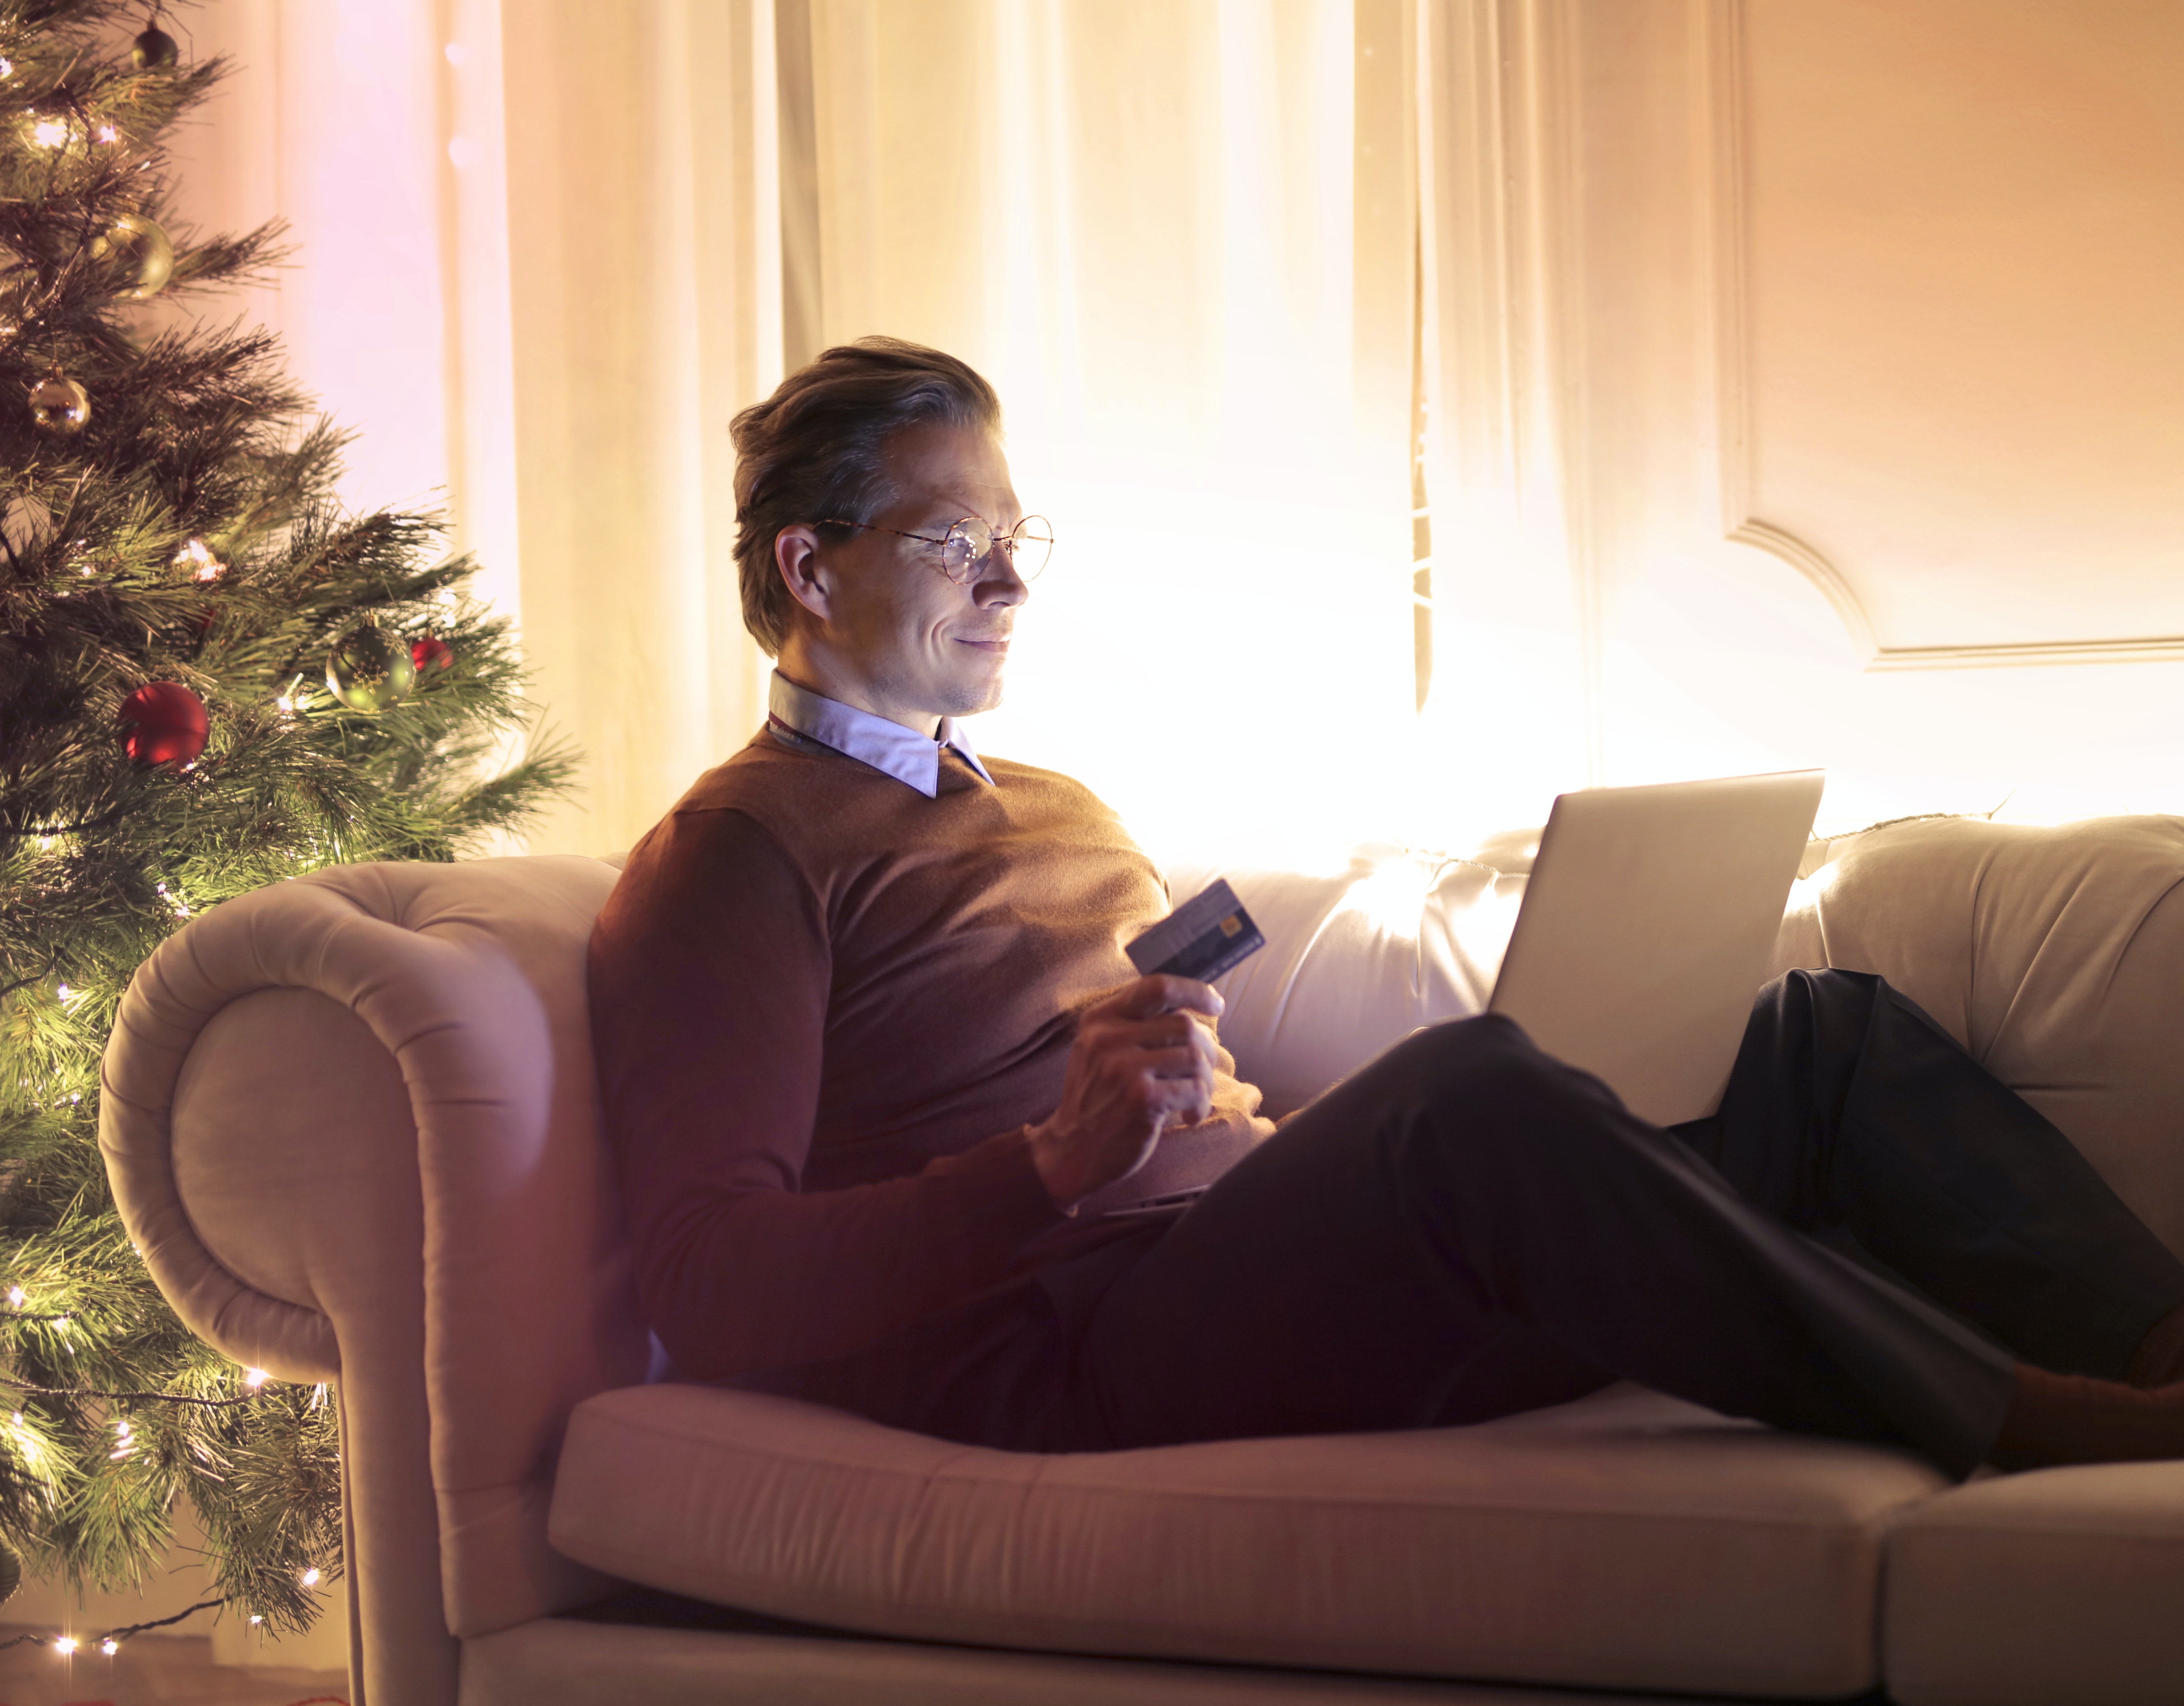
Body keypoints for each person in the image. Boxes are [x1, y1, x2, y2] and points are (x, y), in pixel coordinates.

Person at [586, 337, 2184, 1478]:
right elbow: (705, 1277)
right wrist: (1048, 1163)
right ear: (808, 568)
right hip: (1072, 1348)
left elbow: (1212, 1100)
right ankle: (2035, 1424)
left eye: (1017, 542)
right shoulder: (733, 855)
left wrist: (1283, 1152)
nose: (1010, 585)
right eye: (957, 543)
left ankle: (2156, 1350)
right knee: (1465, 1094)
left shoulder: (1059, 802)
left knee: (1808, 1036)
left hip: (1250, 1271)